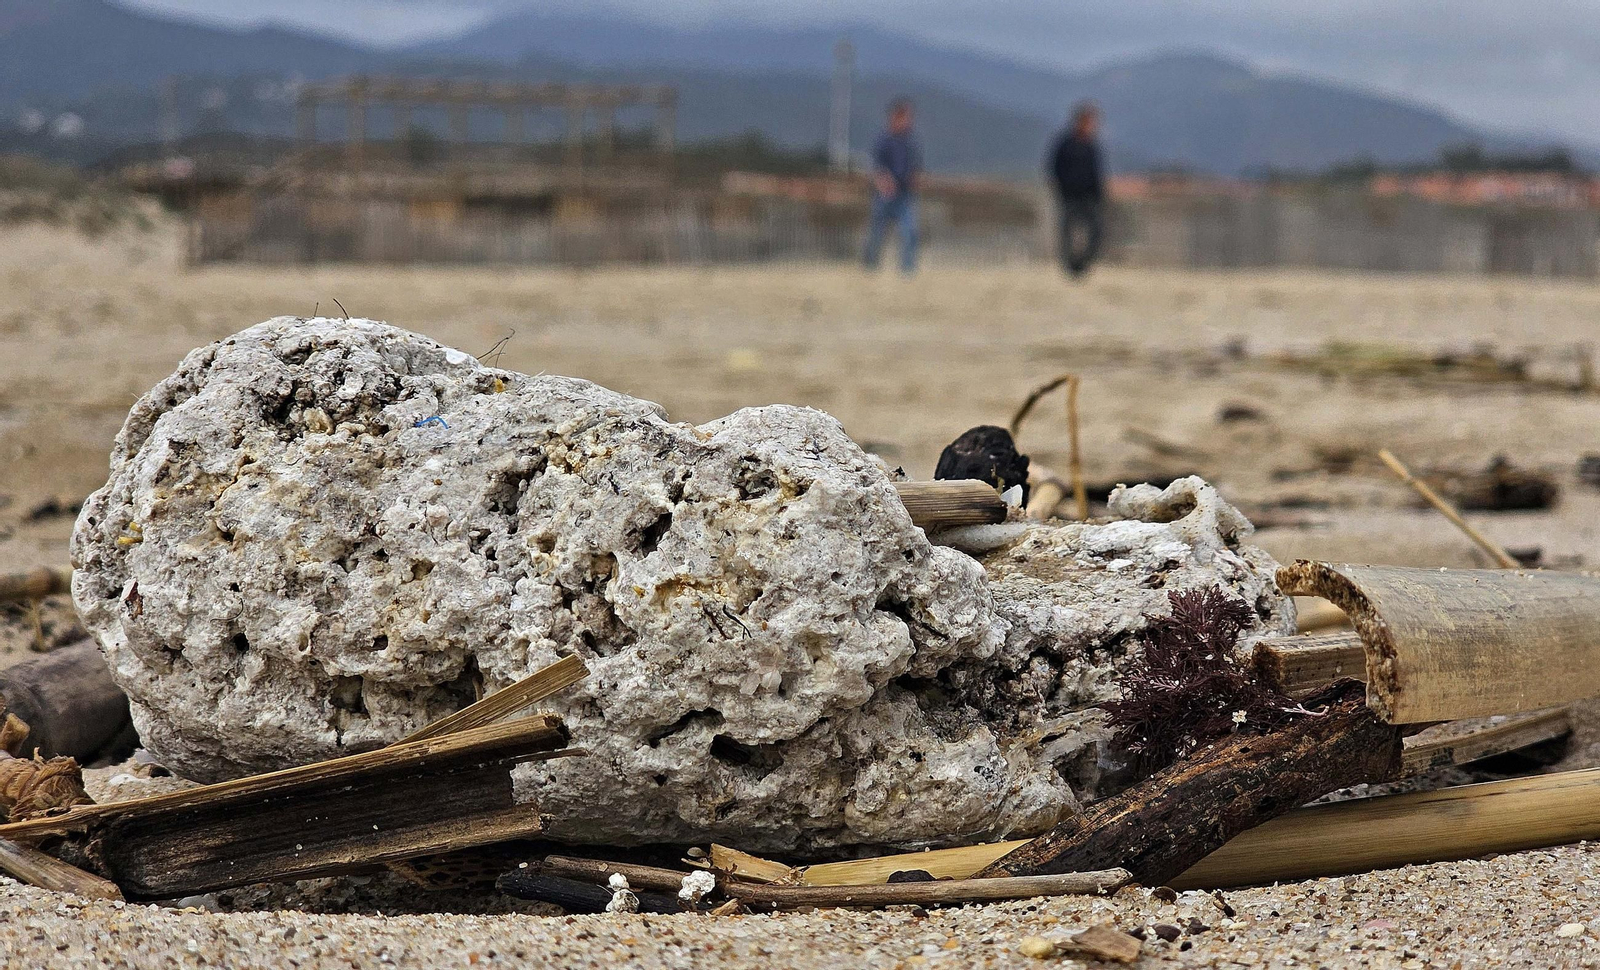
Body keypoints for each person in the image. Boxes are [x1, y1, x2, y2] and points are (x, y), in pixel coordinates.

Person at [862, 99, 922, 274]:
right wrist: (883, 182)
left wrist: (915, 179)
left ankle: (907, 271)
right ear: (895, 117)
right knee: (877, 234)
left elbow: (916, 167)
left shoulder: (911, 142)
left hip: (905, 195)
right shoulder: (884, 140)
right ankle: (870, 269)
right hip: (884, 195)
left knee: (909, 232)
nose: (910, 121)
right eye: (906, 117)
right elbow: (876, 166)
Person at [1047, 102, 1106, 278]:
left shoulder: (1091, 146)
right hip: (1070, 196)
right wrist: (1062, 188)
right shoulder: (1066, 144)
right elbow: (1055, 168)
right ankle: (1070, 266)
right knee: (1067, 232)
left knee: (1096, 231)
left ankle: (1083, 264)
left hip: (1089, 197)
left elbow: (1096, 172)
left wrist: (1098, 194)